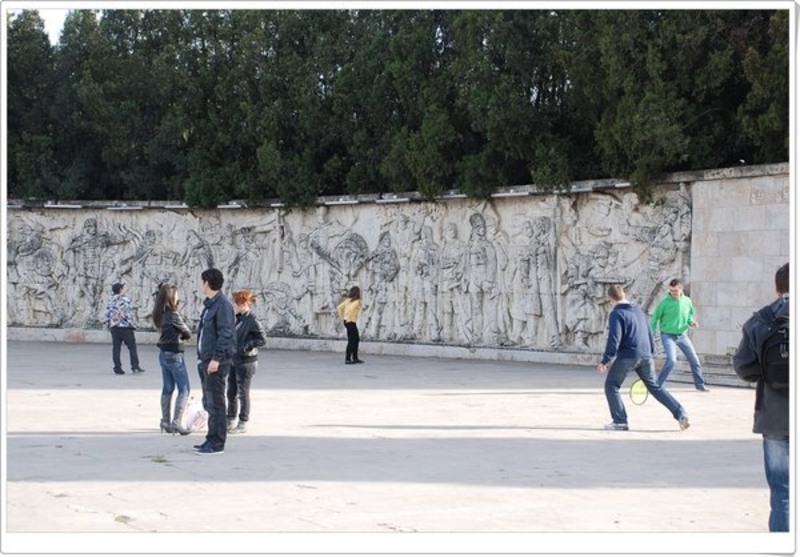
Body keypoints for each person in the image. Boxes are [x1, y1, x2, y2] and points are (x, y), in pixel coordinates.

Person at [733, 262, 789, 532]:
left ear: (777, 289)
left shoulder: (761, 320)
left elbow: (744, 367)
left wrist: (768, 372)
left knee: (783, 492)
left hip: (774, 416)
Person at [597, 284, 690, 431]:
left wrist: (605, 360)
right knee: (656, 387)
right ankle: (681, 413)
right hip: (646, 354)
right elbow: (649, 332)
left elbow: (614, 338)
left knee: (611, 385)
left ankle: (620, 421)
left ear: (610, 299)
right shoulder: (639, 311)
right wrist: (650, 352)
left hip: (628, 355)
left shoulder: (617, 313)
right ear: (624, 294)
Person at [193, 268, 236, 455]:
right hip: (205, 360)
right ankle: (210, 438)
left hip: (215, 362)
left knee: (216, 402)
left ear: (207, 283)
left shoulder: (222, 305)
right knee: (209, 401)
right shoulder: (211, 305)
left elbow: (226, 334)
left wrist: (216, 359)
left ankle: (217, 443)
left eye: (202, 281)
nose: (200, 285)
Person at [650, 278, 709, 391]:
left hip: (682, 335)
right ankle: (657, 385)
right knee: (672, 360)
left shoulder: (687, 301)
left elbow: (689, 315)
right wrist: (650, 334)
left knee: (694, 360)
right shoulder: (664, 303)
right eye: (671, 291)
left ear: (681, 289)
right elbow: (655, 319)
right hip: (668, 335)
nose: (673, 293)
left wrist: (691, 322)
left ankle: (700, 385)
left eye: (675, 291)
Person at [151, 283, 193, 435]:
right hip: (175, 354)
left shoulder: (158, 313)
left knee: (168, 387)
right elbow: (187, 333)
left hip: (163, 353)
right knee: (184, 389)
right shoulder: (173, 314)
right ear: (171, 297)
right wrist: (182, 335)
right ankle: (176, 422)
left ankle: (165, 421)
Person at [226, 289, 267, 434]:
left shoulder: (253, 321)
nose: (234, 305)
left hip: (247, 361)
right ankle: (230, 418)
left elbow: (262, 340)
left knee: (243, 392)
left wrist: (245, 347)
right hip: (234, 359)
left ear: (244, 304)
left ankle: (243, 421)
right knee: (231, 391)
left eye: (236, 303)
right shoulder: (237, 318)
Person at [102, 282, 145, 375]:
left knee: (116, 348)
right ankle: (135, 366)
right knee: (132, 347)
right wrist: (132, 323)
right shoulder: (125, 300)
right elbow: (128, 314)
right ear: (120, 289)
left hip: (114, 327)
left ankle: (117, 368)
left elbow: (106, 314)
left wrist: (112, 320)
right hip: (125, 327)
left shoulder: (110, 300)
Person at [336, 286, 364, 364]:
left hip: (347, 321)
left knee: (356, 339)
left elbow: (339, 308)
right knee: (352, 340)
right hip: (351, 321)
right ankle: (348, 359)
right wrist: (348, 317)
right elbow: (351, 310)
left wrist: (343, 317)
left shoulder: (348, 301)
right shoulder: (357, 302)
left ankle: (355, 357)